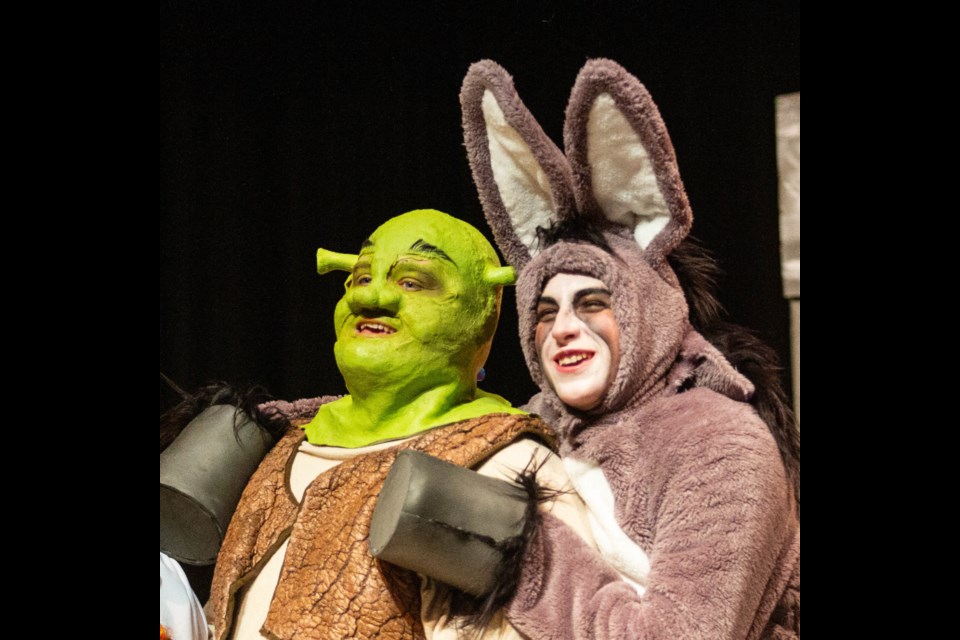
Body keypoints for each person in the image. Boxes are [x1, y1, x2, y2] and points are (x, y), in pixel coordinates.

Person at [459, 58, 800, 638]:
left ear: (644, 308)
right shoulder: (533, 424)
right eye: (544, 313)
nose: (563, 328)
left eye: (593, 303)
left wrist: (513, 545)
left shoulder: (721, 443)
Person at [203, 209, 592, 640]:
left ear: (482, 312)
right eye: (361, 277)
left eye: (411, 282)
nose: (368, 299)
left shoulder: (506, 464)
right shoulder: (278, 445)